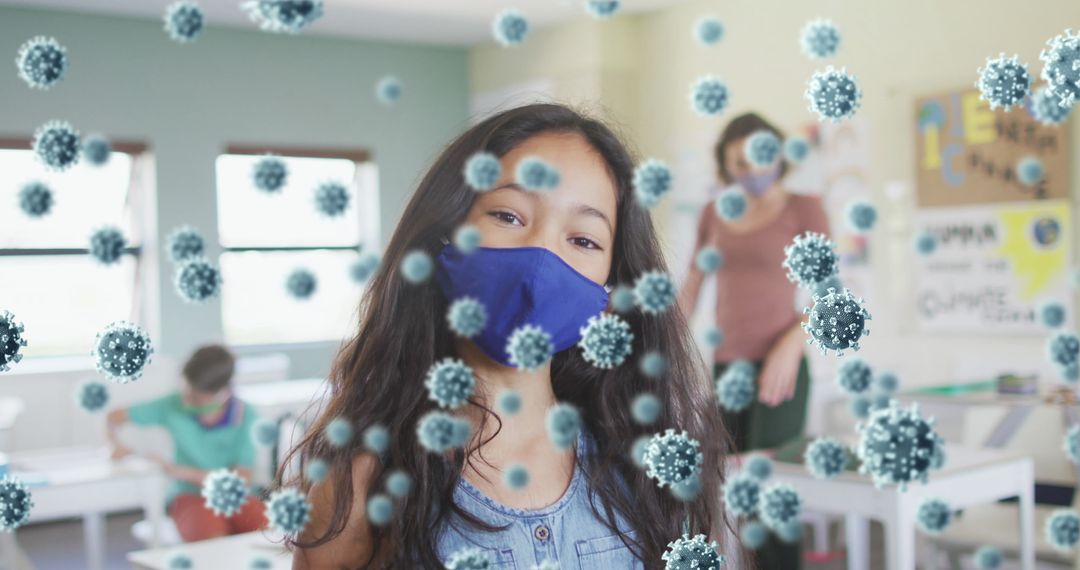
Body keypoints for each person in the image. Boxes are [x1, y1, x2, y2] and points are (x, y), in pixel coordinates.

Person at [280, 103, 733, 568]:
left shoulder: (641, 470)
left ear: (610, 288)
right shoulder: (357, 487)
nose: (540, 256)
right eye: (508, 216)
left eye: (583, 240)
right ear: (446, 232)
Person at [678, 112, 830, 569]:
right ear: (725, 167)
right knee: (723, 494)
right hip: (728, 368)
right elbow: (692, 283)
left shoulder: (804, 208)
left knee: (772, 492)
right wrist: (657, 344)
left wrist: (792, 342)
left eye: (757, 159)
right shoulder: (714, 212)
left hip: (779, 369)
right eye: (737, 163)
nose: (749, 171)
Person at [106, 344, 265, 542]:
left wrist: (177, 470)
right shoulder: (173, 404)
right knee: (213, 545)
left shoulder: (245, 414)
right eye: (187, 389)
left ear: (222, 391)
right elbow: (113, 418)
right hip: (191, 497)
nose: (187, 398)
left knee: (271, 537)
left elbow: (240, 482)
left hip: (238, 497)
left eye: (196, 396)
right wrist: (117, 445)